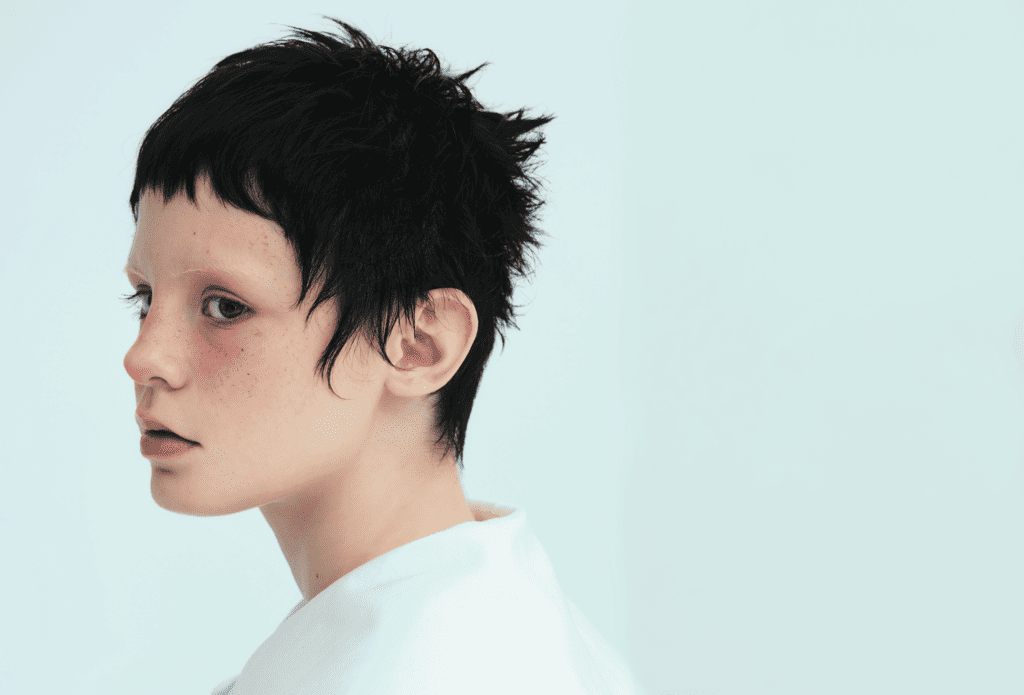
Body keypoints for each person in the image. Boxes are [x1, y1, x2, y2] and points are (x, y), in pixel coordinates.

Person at [122, 17, 643, 695]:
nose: (144, 356)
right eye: (145, 298)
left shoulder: (440, 670)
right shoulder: (490, 626)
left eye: (225, 306)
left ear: (421, 343)